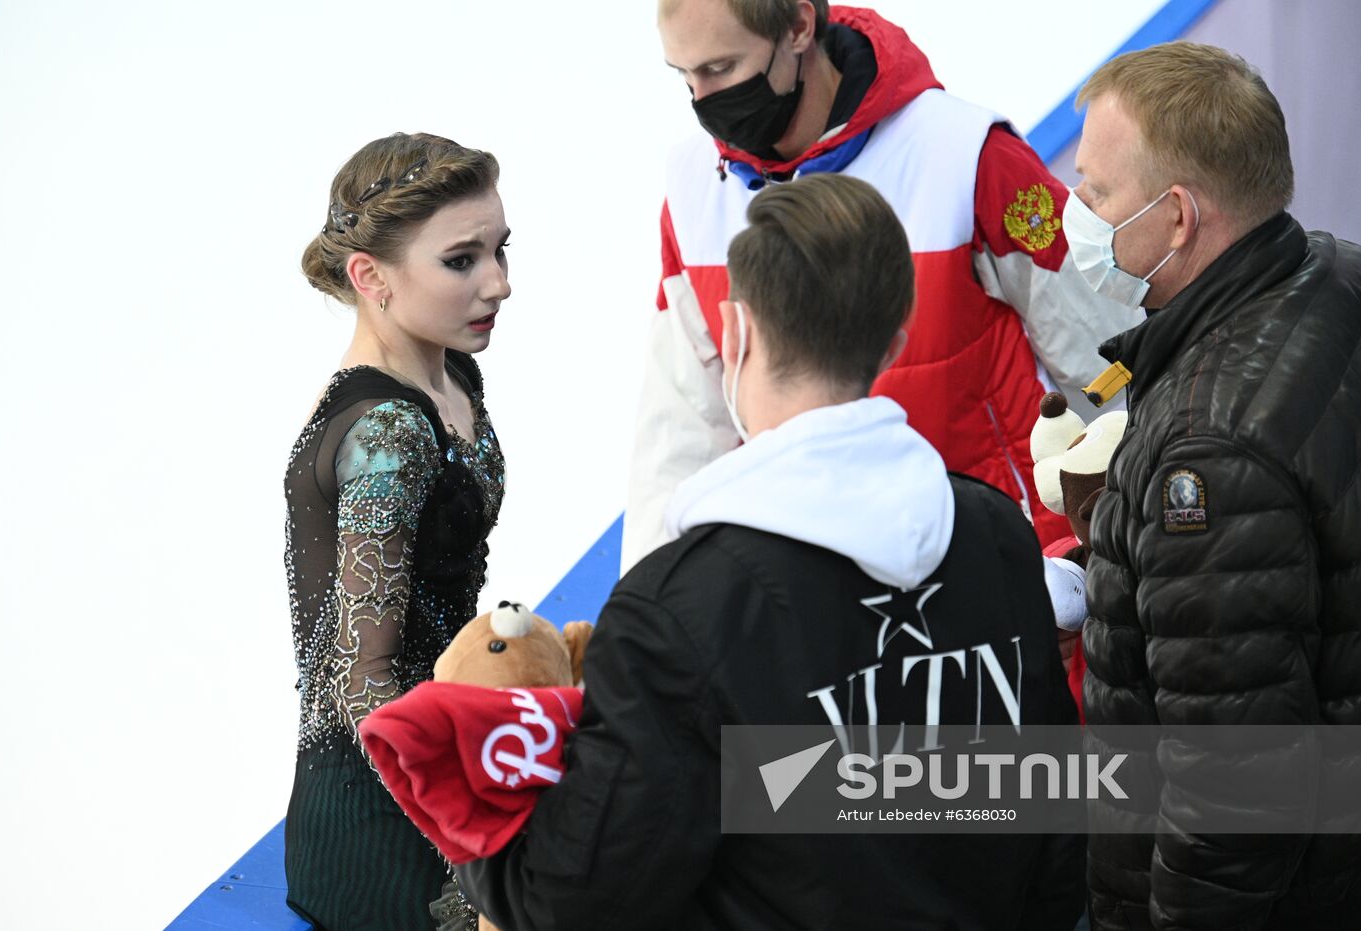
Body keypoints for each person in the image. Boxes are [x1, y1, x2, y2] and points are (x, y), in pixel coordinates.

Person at [453, 173, 1083, 930]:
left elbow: (568, 901)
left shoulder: (670, 613)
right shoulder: (1000, 538)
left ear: (737, 332)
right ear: (893, 340)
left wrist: (479, 754)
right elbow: (1052, 837)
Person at [622, 0, 1145, 572]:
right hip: (817, 595)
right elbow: (681, 437)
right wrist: (651, 622)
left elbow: (1108, 366)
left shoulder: (965, 153)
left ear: (799, 26)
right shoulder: (694, 194)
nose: (701, 99)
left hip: (1004, 573)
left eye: (720, 69)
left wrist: (1113, 555)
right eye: (684, 76)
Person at [1071, 42, 1361, 929]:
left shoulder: (1209, 453)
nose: (1072, 214)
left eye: (1095, 194)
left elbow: (1235, 792)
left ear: (1177, 218)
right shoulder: (1336, 270)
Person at [284, 132, 510, 931]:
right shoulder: (387, 429)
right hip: (386, 825)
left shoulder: (452, 375)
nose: (500, 283)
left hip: (443, 757)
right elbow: (360, 678)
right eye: (463, 260)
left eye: (499, 249)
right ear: (370, 277)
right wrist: (469, 841)